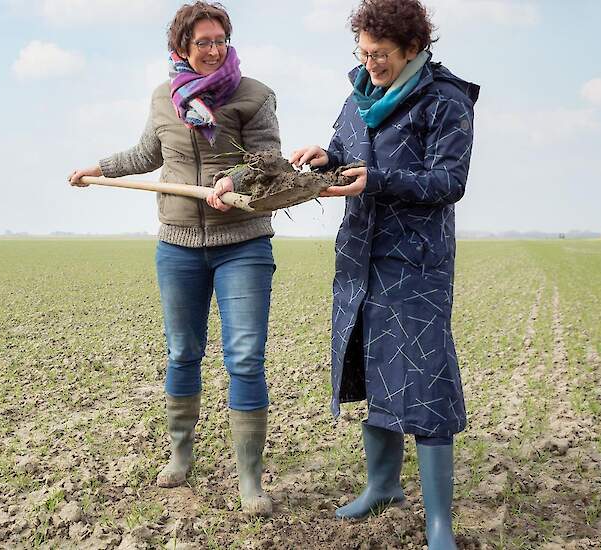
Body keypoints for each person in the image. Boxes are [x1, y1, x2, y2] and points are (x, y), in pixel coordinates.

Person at [69, 1, 281, 517]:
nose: (213, 50)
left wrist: (235, 181)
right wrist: (99, 168)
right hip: (180, 245)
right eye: (203, 42)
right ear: (181, 49)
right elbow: (148, 154)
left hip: (243, 243)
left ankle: (249, 480)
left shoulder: (254, 95)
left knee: (246, 357)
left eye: (220, 40)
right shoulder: (165, 98)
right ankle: (180, 455)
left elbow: (270, 159)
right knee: (183, 352)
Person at [290, 0, 479, 547]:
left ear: (413, 49)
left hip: (415, 263)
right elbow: (348, 154)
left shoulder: (445, 102)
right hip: (360, 259)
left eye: (381, 56)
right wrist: (325, 158)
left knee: (424, 382)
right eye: (364, 53)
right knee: (373, 371)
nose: (370, 64)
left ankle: (439, 519)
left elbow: (448, 183)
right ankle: (382, 487)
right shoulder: (357, 97)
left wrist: (376, 179)